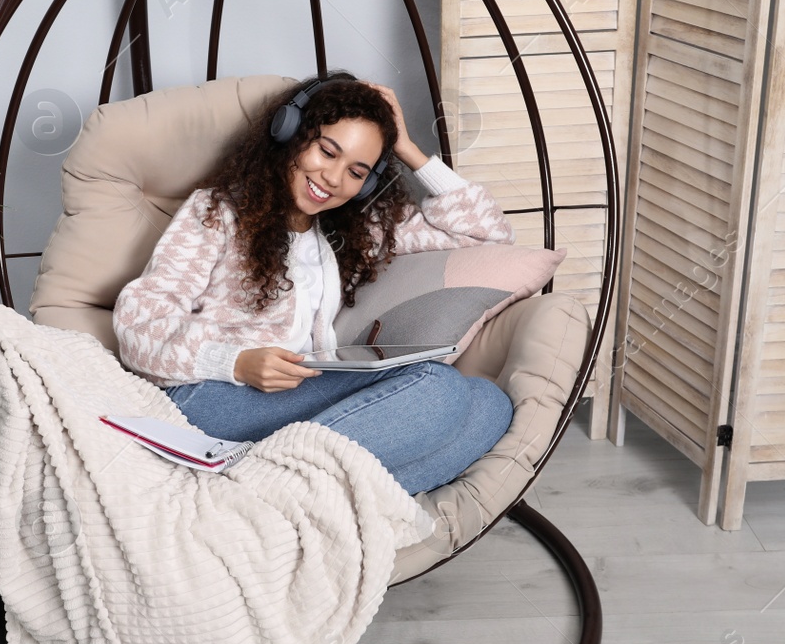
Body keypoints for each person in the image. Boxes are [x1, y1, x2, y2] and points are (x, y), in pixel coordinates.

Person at [111, 73, 516, 496]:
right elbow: (139, 324)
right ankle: (289, 486)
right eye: (327, 151)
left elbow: (488, 236)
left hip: (303, 394)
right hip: (215, 394)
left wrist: (408, 149)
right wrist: (234, 362)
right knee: (439, 387)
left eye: (357, 171)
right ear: (290, 133)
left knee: (490, 406)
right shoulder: (216, 212)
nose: (334, 178)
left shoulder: (359, 230)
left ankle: (277, 493)